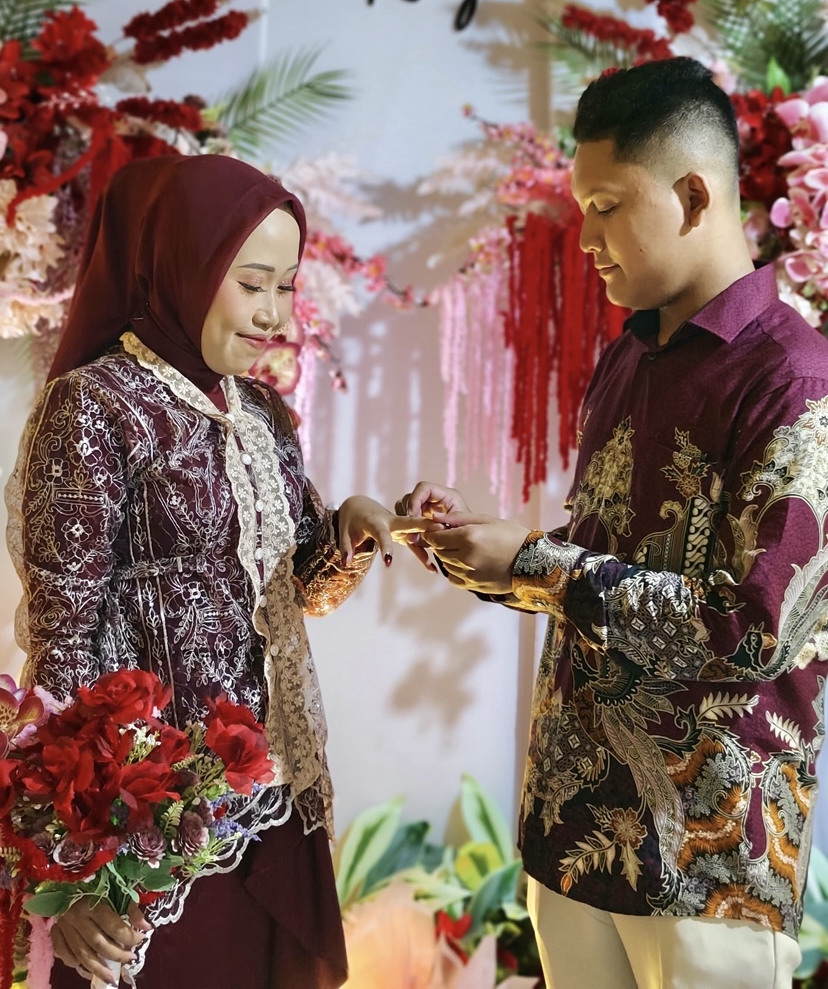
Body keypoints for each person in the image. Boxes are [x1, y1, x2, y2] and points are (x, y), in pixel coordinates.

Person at [398, 58, 828, 989]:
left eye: (605, 206)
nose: (586, 236)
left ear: (692, 195)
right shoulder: (628, 358)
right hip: (573, 834)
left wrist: (535, 563)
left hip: (709, 867)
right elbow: (596, 572)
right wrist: (488, 553)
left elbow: (753, 631)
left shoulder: (795, 380)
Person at [6, 153, 408, 989]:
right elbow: (62, 646)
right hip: (148, 823)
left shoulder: (259, 410)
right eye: (251, 283)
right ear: (181, 267)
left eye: (286, 287)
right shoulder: (97, 407)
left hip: (268, 802)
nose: (272, 314)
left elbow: (295, 591)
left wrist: (353, 531)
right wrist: (72, 863)